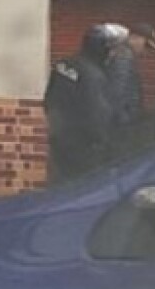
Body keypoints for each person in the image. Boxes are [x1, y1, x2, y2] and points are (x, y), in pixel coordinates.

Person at [44, 25, 117, 185]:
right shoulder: (93, 75)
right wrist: (103, 144)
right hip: (83, 148)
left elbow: (48, 99)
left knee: (57, 188)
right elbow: (98, 116)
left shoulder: (63, 64)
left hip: (59, 141)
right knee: (81, 192)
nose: (112, 54)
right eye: (110, 50)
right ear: (102, 50)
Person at [105, 23, 155, 150]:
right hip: (119, 126)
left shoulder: (122, 54)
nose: (144, 51)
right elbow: (117, 92)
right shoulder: (123, 57)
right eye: (145, 45)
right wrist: (124, 120)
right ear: (135, 38)